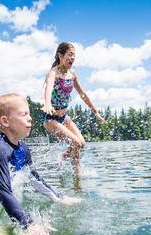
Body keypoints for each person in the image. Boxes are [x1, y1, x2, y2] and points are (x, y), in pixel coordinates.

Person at [0, 93, 81, 235]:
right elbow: (2, 190)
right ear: (5, 121)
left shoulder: (23, 148)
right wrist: (28, 223)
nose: (30, 118)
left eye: (29, 114)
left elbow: (34, 178)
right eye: (24, 114)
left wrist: (60, 198)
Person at [41, 42, 107, 176]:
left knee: (81, 143)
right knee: (75, 143)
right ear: (61, 56)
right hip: (50, 118)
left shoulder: (73, 74)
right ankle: (77, 177)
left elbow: (83, 94)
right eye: (70, 55)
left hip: (63, 117)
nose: (73, 58)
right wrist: (47, 103)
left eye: (74, 55)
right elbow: (48, 87)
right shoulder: (53, 73)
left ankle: (63, 155)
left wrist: (95, 112)